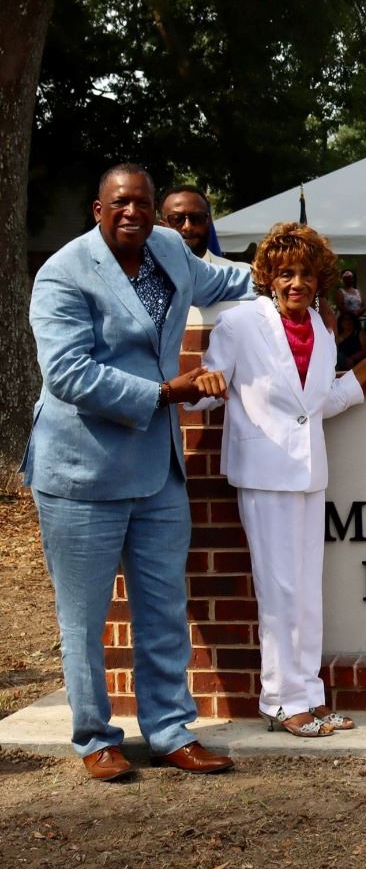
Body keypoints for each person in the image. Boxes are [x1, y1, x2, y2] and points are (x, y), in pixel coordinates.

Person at [25, 164, 253, 781]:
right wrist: (163, 392)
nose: (134, 213)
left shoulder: (170, 249)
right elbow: (68, 374)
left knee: (163, 608)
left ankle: (171, 731)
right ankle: (96, 737)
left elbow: (224, 278)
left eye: (144, 203)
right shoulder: (63, 273)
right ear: (98, 210)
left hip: (157, 472)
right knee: (84, 617)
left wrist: (290, 274)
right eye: (120, 203)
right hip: (81, 472)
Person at [197, 223, 366, 736]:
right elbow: (208, 389)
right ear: (269, 276)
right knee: (279, 591)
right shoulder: (239, 324)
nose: (297, 283)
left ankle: (310, 697)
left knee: (307, 592)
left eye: (307, 275)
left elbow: (320, 405)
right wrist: (205, 384)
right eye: (286, 273)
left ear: (320, 282)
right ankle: (279, 700)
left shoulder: (319, 327)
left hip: (310, 472)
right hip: (265, 473)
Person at [159, 184, 236, 266]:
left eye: (197, 217)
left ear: (209, 221)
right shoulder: (147, 276)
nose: (187, 227)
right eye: (177, 219)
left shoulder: (241, 275)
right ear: (162, 226)